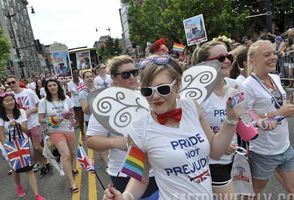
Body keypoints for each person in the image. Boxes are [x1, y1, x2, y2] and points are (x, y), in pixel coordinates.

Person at [103, 55, 242, 200]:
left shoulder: (191, 107)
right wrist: (125, 197)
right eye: (147, 91)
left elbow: (215, 151)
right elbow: (140, 178)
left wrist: (231, 119)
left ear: (177, 84)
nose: (155, 97)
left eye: (163, 89)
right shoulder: (138, 130)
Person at [87, 55, 159, 199]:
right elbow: (90, 140)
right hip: (124, 174)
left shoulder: (147, 96)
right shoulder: (107, 104)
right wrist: (117, 142)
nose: (132, 77)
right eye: (126, 74)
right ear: (114, 79)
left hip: (155, 170)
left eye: (135, 72)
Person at [242, 40, 294, 196]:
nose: (273, 57)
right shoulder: (247, 85)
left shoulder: (275, 78)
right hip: (263, 152)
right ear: (253, 61)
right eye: (267, 54)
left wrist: (288, 109)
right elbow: (245, 117)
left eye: (273, 53)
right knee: (252, 194)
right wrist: (277, 114)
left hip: (284, 146)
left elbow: (278, 106)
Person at [192, 41, 238, 199]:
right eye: (220, 58)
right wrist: (219, 144)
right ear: (205, 64)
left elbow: (244, 118)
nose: (226, 60)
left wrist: (260, 122)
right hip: (211, 162)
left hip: (235, 158)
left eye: (228, 56)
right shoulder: (197, 96)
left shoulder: (235, 85)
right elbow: (192, 134)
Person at [0, 92, 46, 200]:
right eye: (6, 101)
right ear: (2, 104)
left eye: (11, 100)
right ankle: (18, 186)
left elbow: (26, 129)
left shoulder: (21, 112)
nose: (10, 102)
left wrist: (18, 125)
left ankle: (37, 195)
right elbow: (1, 135)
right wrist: (8, 149)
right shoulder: (1, 117)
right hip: (9, 146)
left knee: (29, 168)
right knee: (16, 169)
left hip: (23, 143)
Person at [38, 78, 79, 193]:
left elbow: (72, 112)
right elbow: (40, 119)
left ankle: (71, 167)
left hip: (68, 129)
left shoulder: (66, 98)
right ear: (46, 88)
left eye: (54, 85)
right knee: (65, 155)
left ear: (58, 86)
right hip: (55, 131)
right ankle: (72, 183)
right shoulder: (43, 102)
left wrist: (69, 116)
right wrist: (52, 119)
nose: (52, 87)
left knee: (72, 153)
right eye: (49, 86)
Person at [6, 75, 50, 176]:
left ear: (18, 81)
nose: (11, 85)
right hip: (22, 126)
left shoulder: (28, 92)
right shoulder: (11, 96)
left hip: (34, 123)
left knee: (37, 147)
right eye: (9, 83)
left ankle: (47, 160)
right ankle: (43, 164)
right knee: (33, 149)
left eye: (13, 82)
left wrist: (27, 112)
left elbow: (39, 106)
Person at [79, 70, 108, 169]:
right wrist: (91, 98)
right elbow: (85, 111)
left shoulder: (99, 89)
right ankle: (107, 164)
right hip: (91, 120)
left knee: (106, 140)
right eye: (87, 77)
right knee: (100, 142)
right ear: (83, 80)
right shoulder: (82, 93)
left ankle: (103, 155)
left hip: (102, 117)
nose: (90, 78)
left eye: (91, 76)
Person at [67, 68, 85, 142]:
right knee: (81, 120)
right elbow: (69, 95)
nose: (75, 75)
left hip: (84, 101)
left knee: (87, 119)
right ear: (72, 74)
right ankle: (83, 134)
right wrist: (71, 106)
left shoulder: (82, 81)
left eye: (77, 73)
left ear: (78, 74)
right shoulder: (69, 84)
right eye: (74, 73)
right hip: (76, 104)